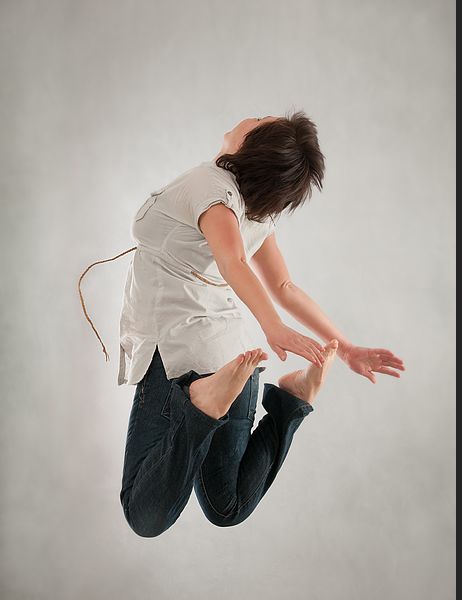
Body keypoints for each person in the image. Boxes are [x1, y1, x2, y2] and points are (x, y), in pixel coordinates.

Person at [79, 110, 405, 538]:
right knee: (227, 506)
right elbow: (285, 285)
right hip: (235, 358)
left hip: (179, 357)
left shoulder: (210, 186)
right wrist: (344, 348)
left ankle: (200, 407)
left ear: (250, 149)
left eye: (260, 122)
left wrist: (273, 327)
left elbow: (232, 261)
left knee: (144, 515)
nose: (252, 116)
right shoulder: (253, 211)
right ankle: (288, 403)